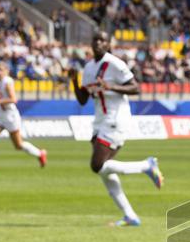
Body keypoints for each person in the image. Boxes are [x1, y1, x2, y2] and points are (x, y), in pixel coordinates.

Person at [70, 31, 164, 227]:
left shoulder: (114, 63)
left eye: (103, 40)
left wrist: (111, 87)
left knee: (97, 165)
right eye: (96, 39)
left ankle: (147, 166)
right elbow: (83, 99)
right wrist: (74, 80)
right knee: (105, 171)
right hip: (99, 121)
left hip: (116, 119)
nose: (98, 43)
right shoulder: (88, 68)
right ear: (91, 42)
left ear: (108, 43)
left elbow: (136, 88)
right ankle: (129, 215)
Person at [0, 62, 47, 178]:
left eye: (1, 70)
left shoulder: (8, 82)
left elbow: (13, 99)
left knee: (18, 145)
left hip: (10, 116)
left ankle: (40, 153)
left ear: (6, 71)